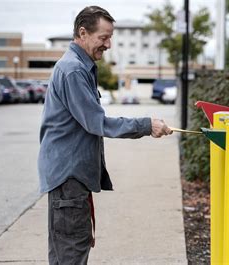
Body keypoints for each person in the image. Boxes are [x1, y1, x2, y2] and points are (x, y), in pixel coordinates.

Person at [37, 6, 173, 264]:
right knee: (71, 256)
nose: (109, 44)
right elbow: (97, 122)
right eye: (103, 37)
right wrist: (147, 125)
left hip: (67, 178)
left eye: (110, 38)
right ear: (83, 32)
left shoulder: (78, 66)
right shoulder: (74, 70)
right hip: (69, 179)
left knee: (64, 255)